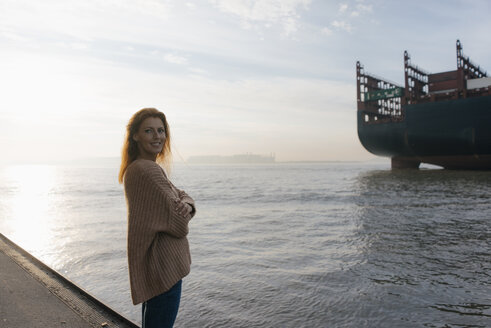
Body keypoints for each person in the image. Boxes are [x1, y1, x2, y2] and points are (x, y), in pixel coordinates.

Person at [118, 107, 196, 328]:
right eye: (149, 131)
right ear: (135, 136)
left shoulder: (139, 168)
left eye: (161, 131)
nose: (157, 136)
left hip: (154, 267)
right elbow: (180, 225)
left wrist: (187, 203)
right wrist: (186, 207)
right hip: (164, 270)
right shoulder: (148, 171)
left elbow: (180, 193)